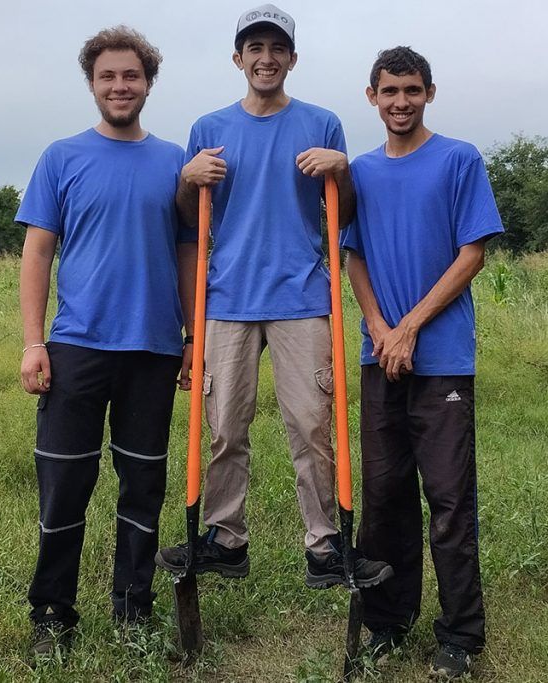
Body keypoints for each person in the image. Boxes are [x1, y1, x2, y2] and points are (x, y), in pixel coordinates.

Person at [156, 4, 392, 590]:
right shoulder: (208, 129)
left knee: (312, 425)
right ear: (238, 59)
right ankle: (224, 539)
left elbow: (346, 214)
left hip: (302, 296)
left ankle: (325, 544)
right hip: (227, 297)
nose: (266, 59)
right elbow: (189, 218)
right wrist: (188, 179)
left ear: (292, 59)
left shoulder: (322, 123)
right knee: (223, 427)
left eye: (277, 49)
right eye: (255, 49)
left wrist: (342, 171)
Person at [16, 26, 196, 657]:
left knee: (142, 486)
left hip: (153, 349)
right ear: (92, 84)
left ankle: (133, 609)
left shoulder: (175, 162)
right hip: (77, 347)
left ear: (149, 83)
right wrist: (33, 342)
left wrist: (193, 338)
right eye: (108, 77)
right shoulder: (61, 157)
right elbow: (38, 252)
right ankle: (52, 614)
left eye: (131, 76)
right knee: (65, 485)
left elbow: (188, 253)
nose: (120, 86)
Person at [340, 46, 504, 680]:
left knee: (449, 499)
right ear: (372, 97)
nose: (401, 102)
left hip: (442, 362)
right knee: (384, 497)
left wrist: (409, 327)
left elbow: (472, 255)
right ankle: (388, 621)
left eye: (412, 90)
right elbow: (353, 255)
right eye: (390, 91)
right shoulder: (361, 171)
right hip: (378, 355)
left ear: (429, 93)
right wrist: (381, 329)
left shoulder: (459, 159)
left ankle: (460, 635)